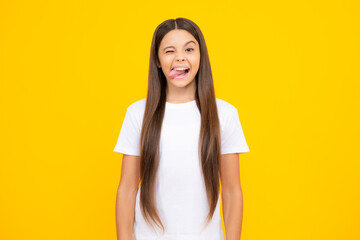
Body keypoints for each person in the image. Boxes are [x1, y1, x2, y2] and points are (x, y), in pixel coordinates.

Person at [114, 17, 250, 240]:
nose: (180, 57)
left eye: (189, 49)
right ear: (158, 61)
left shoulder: (224, 114)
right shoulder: (138, 114)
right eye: (169, 51)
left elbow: (232, 190)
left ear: (200, 56)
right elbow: (127, 189)